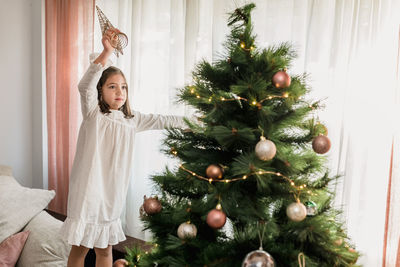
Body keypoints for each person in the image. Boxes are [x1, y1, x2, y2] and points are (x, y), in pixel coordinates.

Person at [59, 29, 187, 267]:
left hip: (111, 196)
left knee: (105, 252)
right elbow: (83, 86)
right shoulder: (93, 115)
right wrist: (106, 53)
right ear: (100, 91)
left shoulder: (132, 120)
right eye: (112, 87)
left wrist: (192, 124)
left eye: (124, 87)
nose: (120, 92)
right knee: (80, 250)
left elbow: (162, 120)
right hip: (88, 194)